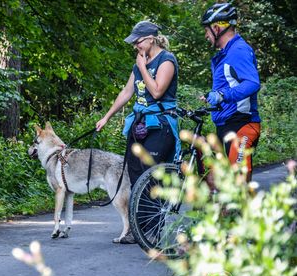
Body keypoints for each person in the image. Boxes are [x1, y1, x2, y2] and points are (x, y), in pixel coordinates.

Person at [95, 21, 180, 244]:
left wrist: (143, 68)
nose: (136, 46)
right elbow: (127, 91)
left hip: (160, 125)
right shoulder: (139, 63)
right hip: (140, 123)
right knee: (135, 175)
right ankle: (137, 228)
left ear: (151, 38)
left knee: (150, 175)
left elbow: (157, 91)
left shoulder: (166, 60)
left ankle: (155, 228)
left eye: (138, 41)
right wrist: (107, 116)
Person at [200, 3, 261, 182]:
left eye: (207, 30)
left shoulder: (238, 51)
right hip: (226, 124)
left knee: (238, 180)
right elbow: (231, 83)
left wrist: (223, 95)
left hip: (242, 124)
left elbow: (252, 83)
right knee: (215, 179)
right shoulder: (226, 53)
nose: (206, 35)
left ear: (217, 28)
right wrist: (214, 96)